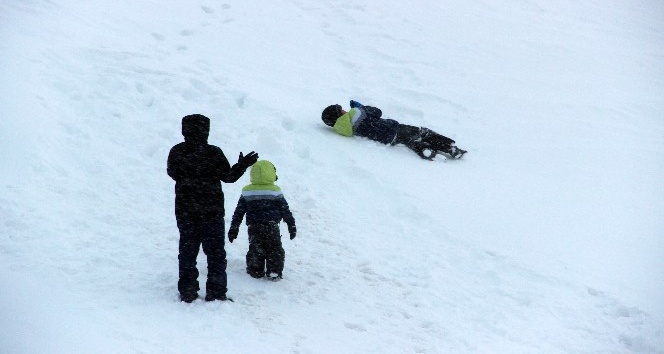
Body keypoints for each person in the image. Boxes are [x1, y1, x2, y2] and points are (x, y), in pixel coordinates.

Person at [167, 114, 258, 303]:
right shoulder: (213, 153)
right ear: (207, 131)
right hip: (212, 212)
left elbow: (172, 173)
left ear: (184, 130)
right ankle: (216, 292)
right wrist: (242, 165)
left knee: (187, 252)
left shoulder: (177, 151)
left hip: (186, 211)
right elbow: (228, 177)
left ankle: (188, 291)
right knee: (216, 254)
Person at [321, 100, 467, 160]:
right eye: (341, 110)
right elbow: (377, 111)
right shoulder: (356, 114)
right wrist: (361, 107)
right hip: (392, 128)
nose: (345, 110)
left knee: (409, 141)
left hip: (386, 138)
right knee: (422, 133)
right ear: (340, 114)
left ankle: (424, 150)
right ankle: (450, 148)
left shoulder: (345, 129)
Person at [227, 160, 296, 281]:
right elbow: (285, 209)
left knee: (255, 247)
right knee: (275, 249)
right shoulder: (275, 191)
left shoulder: (247, 191)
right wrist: (291, 225)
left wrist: (234, 227)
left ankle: (256, 270)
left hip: (254, 226)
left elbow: (239, 212)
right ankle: (274, 271)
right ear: (272, 174)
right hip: (272, 226)